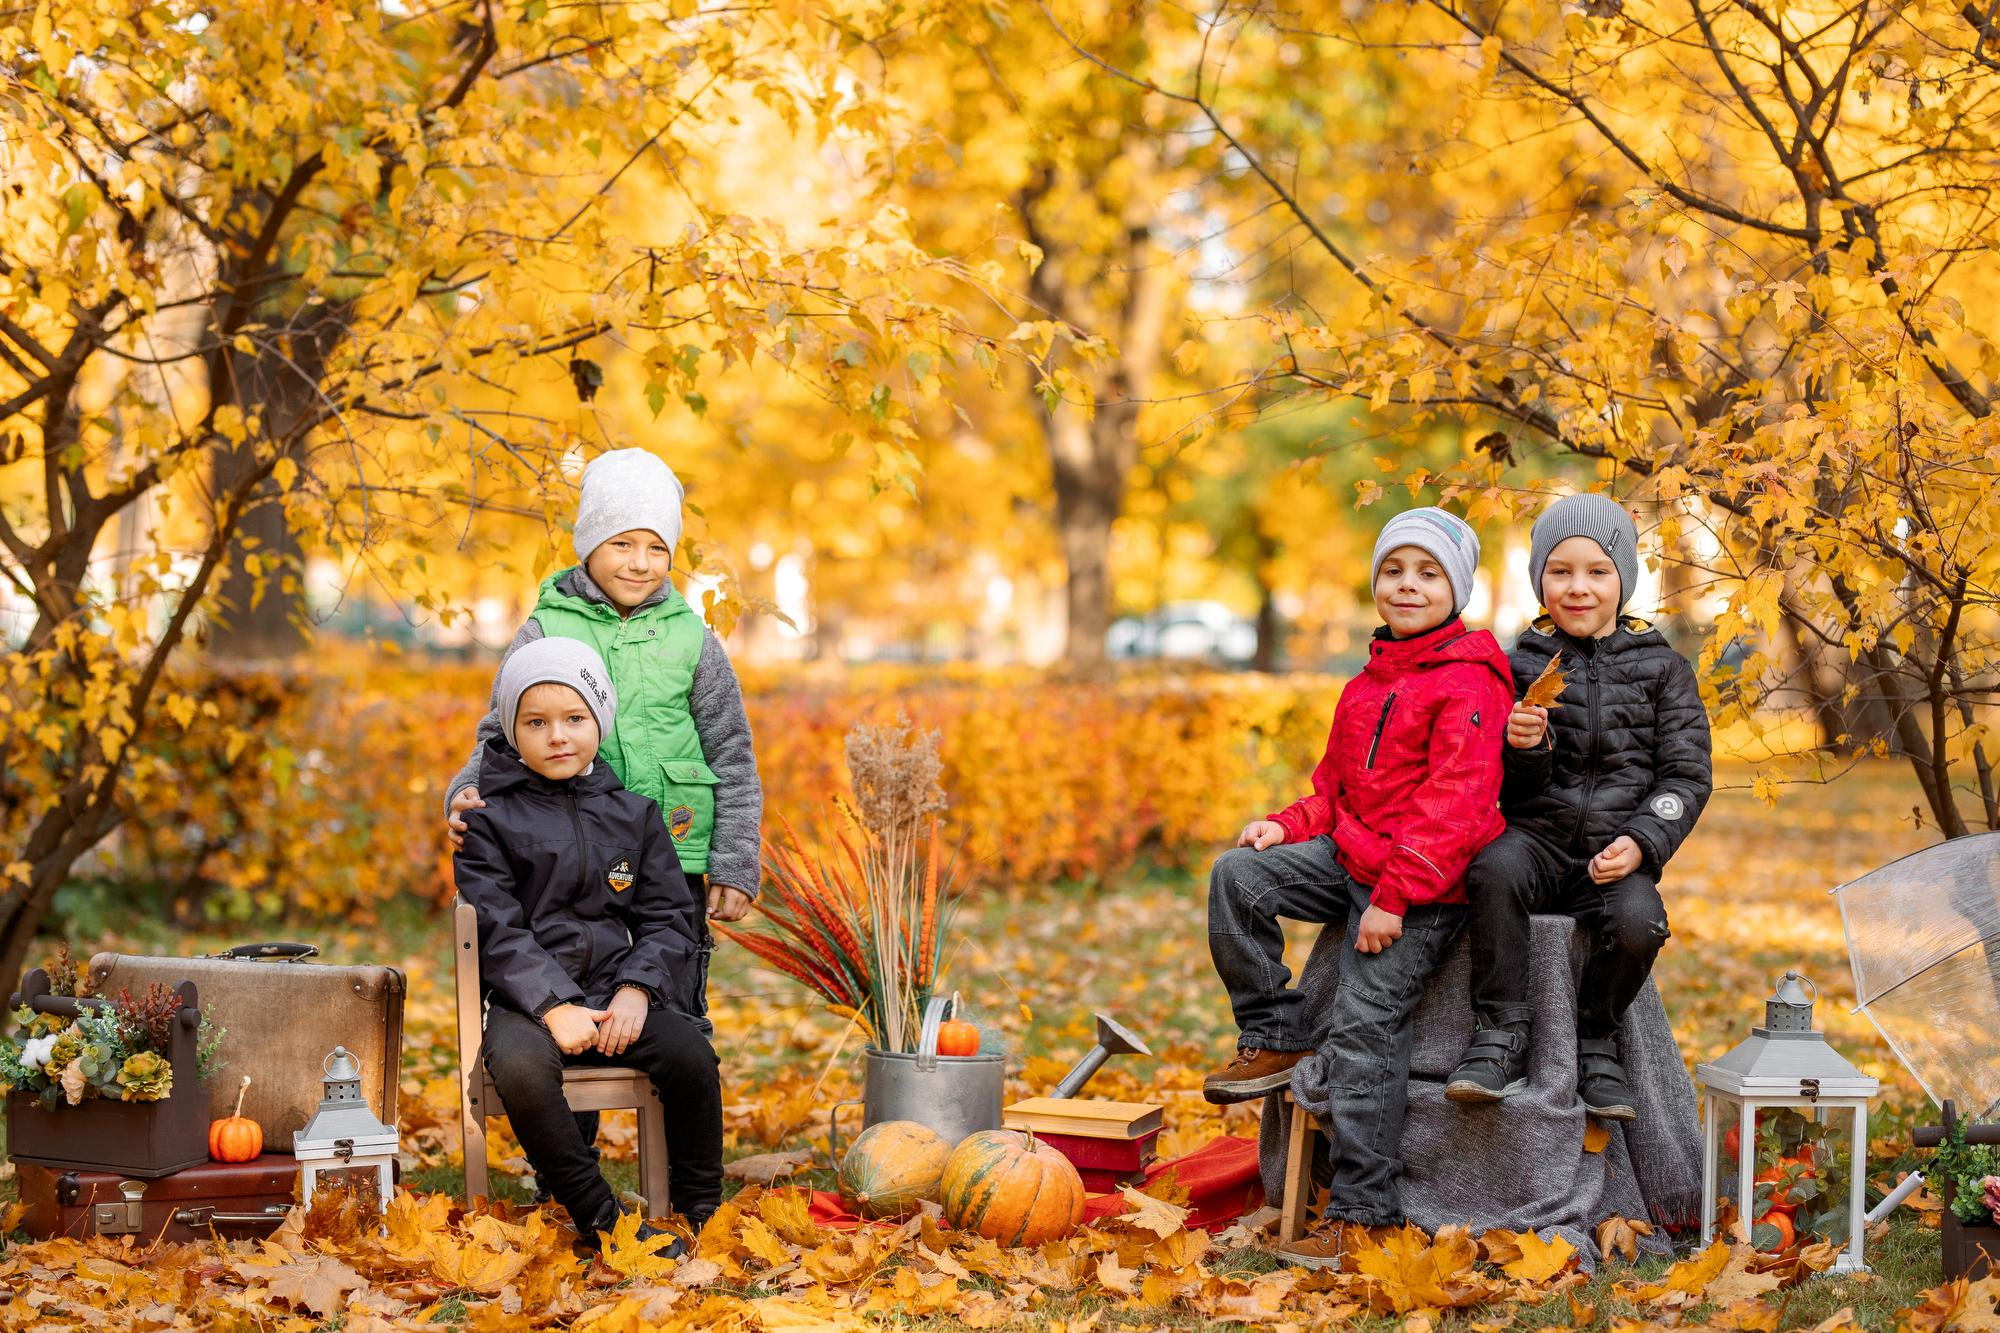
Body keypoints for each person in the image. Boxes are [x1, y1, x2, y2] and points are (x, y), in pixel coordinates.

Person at [1202, 507, 1513, 1267]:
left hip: (1423, 886)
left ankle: (1363, 1212)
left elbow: (1455, 809)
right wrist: (1286, 825)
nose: (1407, 585)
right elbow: (1334, 792)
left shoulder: (1471, 684)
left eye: (1428, 573)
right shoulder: (1366, 683)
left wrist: (1393, 899)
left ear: (1457, 589)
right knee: (1238, 874)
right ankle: (1275, 1033)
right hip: (1352, 859)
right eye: (1393, 570)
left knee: (1364, 1026)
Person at [445, 448, 760, 1177]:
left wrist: (735, 856)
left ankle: (680, 1170)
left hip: (675, 847)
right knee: (569, 989)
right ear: (589, 542)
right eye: (623, 543)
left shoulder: (692, 635)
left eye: (657, 547)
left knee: (670, 1003)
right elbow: (500, 728)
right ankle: (570, 1155)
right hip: (557, 841)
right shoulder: (547, 625)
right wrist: (462, 792)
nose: (640, 562)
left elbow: (732, 750)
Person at [1444, 492, 1711, 1122]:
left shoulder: (1663, 670)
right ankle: (1501, 1032)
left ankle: (1597, 1042)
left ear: (1623, 580)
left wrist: (1643, 841)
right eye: (1560, 571)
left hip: (1613, 850)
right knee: (1493, 871)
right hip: (1536, 837)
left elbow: (1686, 775)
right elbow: (1500, 782)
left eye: (1597, 572)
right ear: (1540, 580)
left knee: (1640, 923)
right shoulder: (1517, 666)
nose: (1578, 587)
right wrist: (1525, 749)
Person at [454, 637, 721, 1249]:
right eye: (536, 722)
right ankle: (602, 1218)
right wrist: (552, 1005)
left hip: (613, 993)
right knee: (520, 1069)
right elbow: (496, 927)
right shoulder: (488, 821)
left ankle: (702, 1207)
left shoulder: (636, 815)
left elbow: (668, 916)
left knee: (690, 1054)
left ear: (600, 720)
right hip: (528, 1004)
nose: (558, 736)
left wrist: (636, 990)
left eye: (575, 718)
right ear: (510, 729)